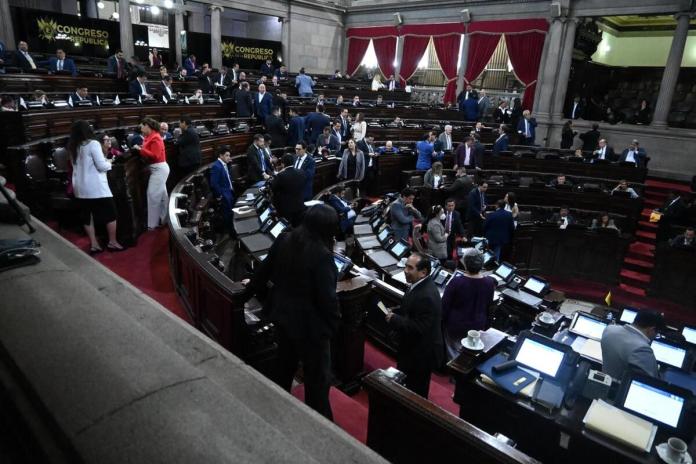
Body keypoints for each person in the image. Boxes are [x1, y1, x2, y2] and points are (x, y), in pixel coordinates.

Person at [249, 204, 340, 420]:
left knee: (283, 368)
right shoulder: (323, 256)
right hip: (311, 330)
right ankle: (320, 426)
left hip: (282, 318)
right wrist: (332, 327)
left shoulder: (284, 239)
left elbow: (263, 273)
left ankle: (276, 413)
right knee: (317, 383)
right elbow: (328, 300)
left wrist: (246, 293)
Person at [385, 253, 444, 398]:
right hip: (411, 348)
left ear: (423, 272)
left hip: (420, 354)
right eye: (406, 266)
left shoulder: (427, 296)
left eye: (410, 268)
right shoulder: (418, 285)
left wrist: (395, 319)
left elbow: (419, 327)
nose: (405, 270)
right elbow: (412, 309)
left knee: (415, 392)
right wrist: (397, 311)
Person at [67, 121, 124, 254]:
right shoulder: (93, 144)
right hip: (95, 187)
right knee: (111, 214)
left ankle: (94, 244)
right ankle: (112, 242)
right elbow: (102, 166)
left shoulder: (72, 146)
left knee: (88, 216)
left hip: (80, 187)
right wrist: (109, 163)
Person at [441, 252, 495, 360]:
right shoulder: (489, 282)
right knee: (470, 354)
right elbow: (489, 306)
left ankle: (454, 372)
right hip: (478, 324)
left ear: (465, 263)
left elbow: (444, 306)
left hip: (456, 325)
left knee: (454, 354)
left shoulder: (456, 282)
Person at [600, 311, 662, 380]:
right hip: (622, 388)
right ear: (652, 330)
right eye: (657, 334)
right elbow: (652, 381)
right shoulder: (642, 349)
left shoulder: (609, 329)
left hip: (605, 381)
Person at [131, 118, 169, 230]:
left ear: (148, 126)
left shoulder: (156, 137)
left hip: (159, 169)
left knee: (152, 195)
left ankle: (152, 225)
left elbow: (156, 155)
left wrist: (140, 149)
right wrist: (141, 148)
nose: (141, 128)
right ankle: (164, 219)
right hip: (157, 169)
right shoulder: (149, 137)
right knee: (162, 196)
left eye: (142, 126)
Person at [271, 154, 306, 226]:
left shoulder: (281, 175)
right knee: (297, 226)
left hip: (286, 208)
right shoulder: (301, 172)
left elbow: (273, 188)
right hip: (299, 205)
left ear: (283, 164)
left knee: (287, 228)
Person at [209, 145, 235, 235]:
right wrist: (220, 195)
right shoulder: (216, 166)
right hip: (224, 194)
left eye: (229, 155)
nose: (229, 158)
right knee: (227, 215)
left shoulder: (224, 164)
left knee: (230, 214)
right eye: (227, 155)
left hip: (229, 192)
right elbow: (214, 183)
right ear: (221, 155)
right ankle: (229, 234)